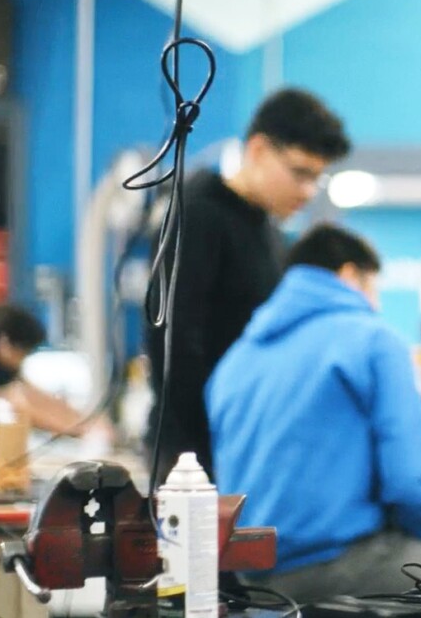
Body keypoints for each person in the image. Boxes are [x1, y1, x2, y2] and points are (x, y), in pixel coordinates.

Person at [206, 224, 421, 604]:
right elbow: (408, 480)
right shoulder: (373, 340)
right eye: (374, 287)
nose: (377, 302)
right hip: (343, 564)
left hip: (255, 582)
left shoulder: (235, 360)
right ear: (351, 274)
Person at [146, 88, 350, 483]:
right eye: (300, 173)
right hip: (197, 461)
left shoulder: (265, 228)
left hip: (245, 447)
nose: (308, 191)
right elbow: (173, 348)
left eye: (318, 178)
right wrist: (201, 456)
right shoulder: (198, 215)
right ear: (257, 150)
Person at [0, 306, 102, 436]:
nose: (22, 359)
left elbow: (33, 393)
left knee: (25, 394)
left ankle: (84, 426)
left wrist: (84, 419)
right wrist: (76, 430)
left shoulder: (6, 367)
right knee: (15, 399)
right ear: (5, 343)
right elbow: (13, 402)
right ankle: (80, 430)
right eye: (22, 353)